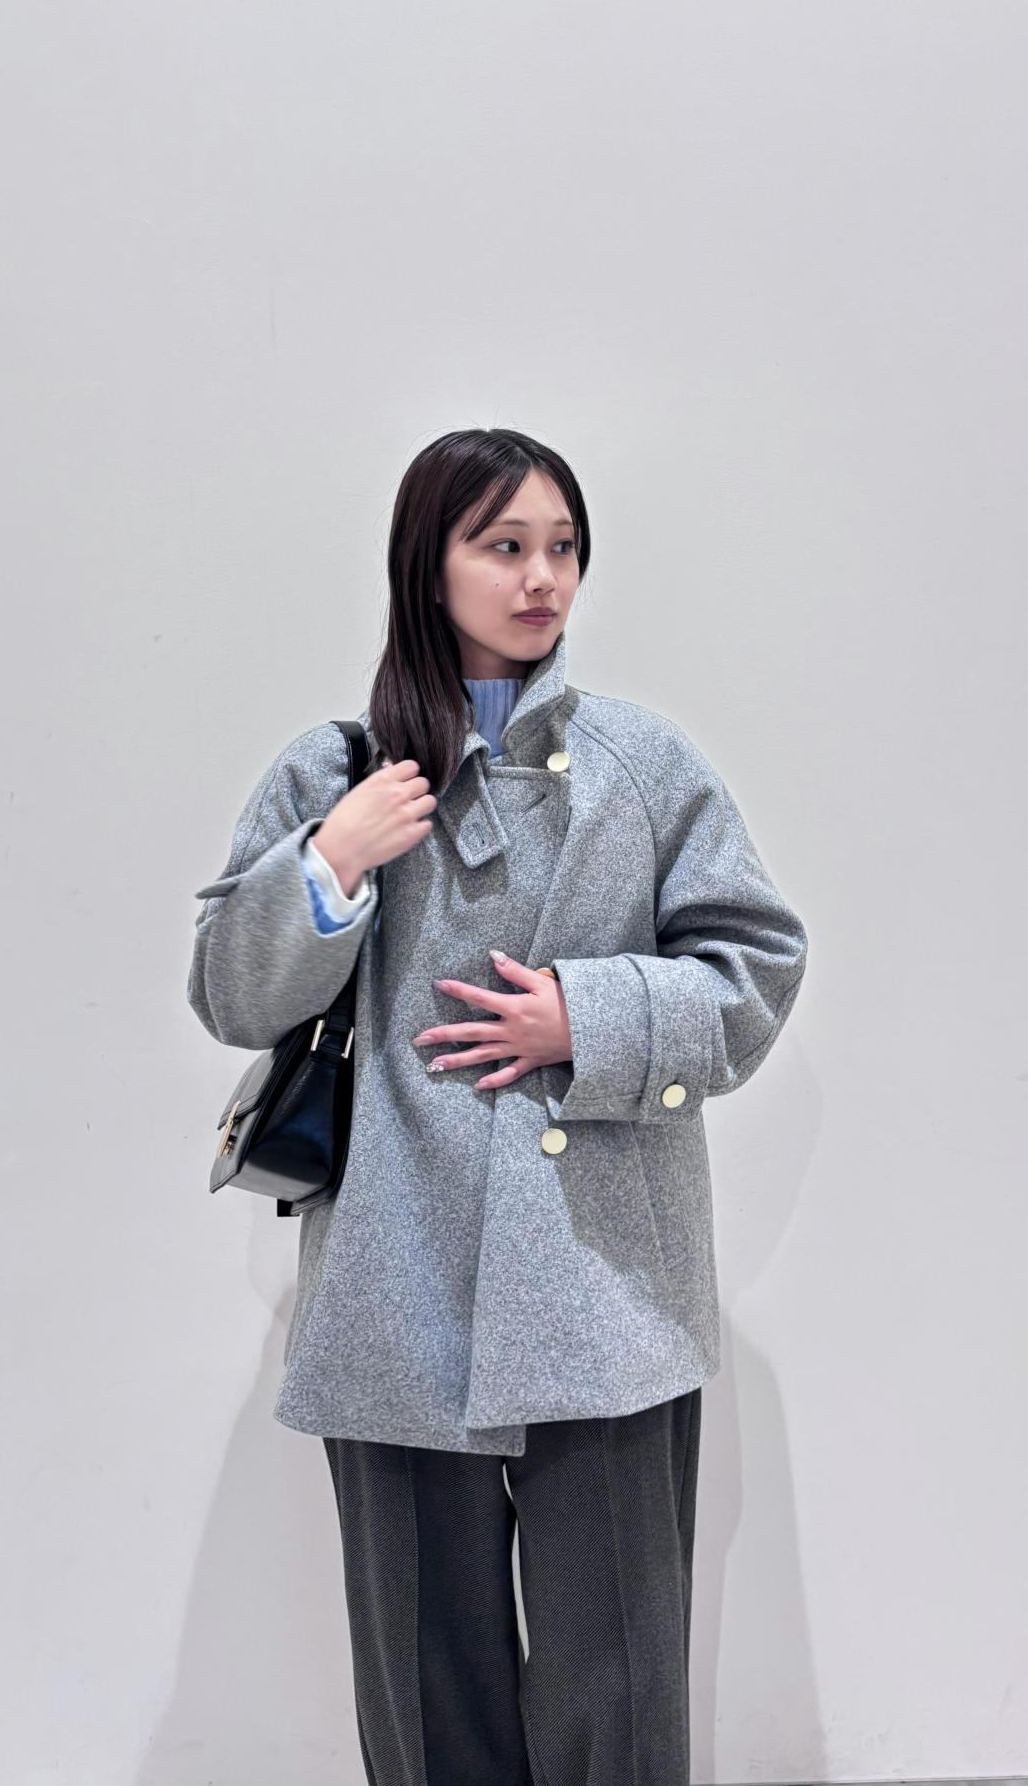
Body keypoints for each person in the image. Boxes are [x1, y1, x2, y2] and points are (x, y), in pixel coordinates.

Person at [188, 427, 809, 1786]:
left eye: (563, 548)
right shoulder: (335, 770)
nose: (542, 579)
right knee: (427, 1697)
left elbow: (756, 970)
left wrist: (586, 1017)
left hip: (608, 1283)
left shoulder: (643, 763)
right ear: (430, 562)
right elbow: (230, 995)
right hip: (396, 1280)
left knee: (620, 1691)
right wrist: (329, 863)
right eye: (505, 546)